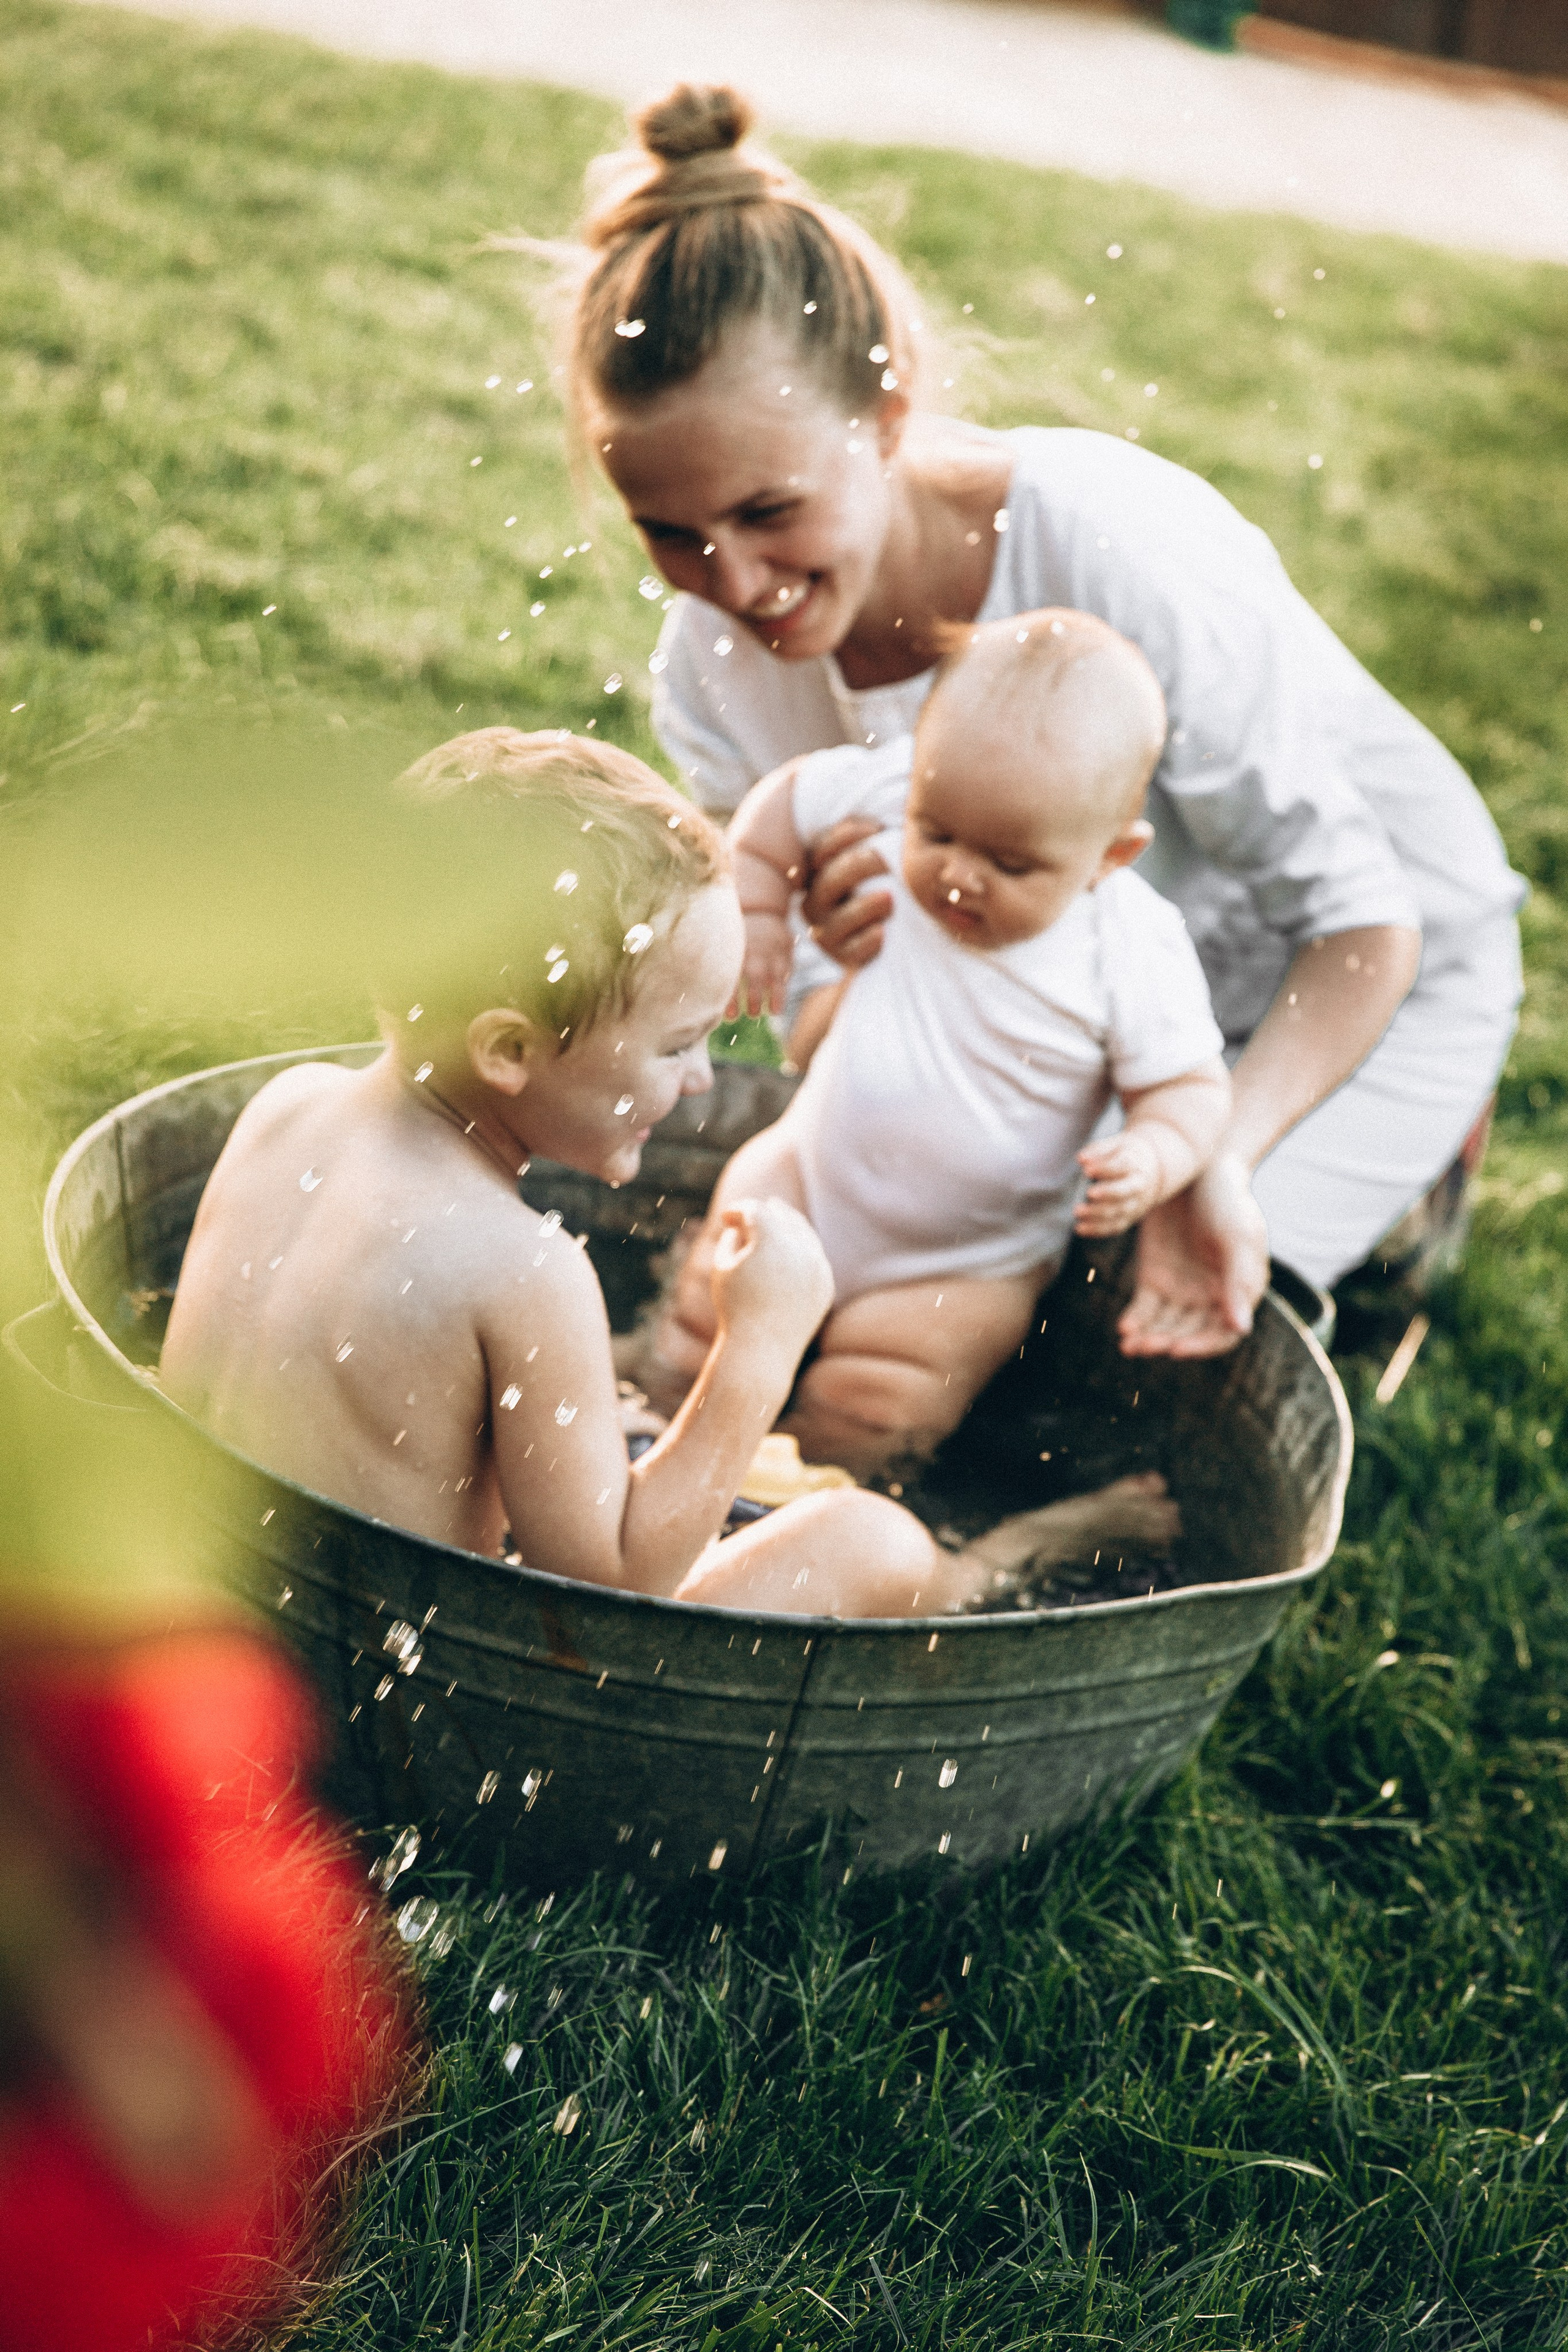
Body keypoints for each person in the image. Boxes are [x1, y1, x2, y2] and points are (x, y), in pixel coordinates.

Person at [540, 81, 1526, 1357]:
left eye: (769, 512)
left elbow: (1358, 924)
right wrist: (821, 965)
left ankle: (1396, 1188)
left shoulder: (1113, 547)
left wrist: (1212, 1149)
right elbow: (814, 1005)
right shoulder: (715, 666)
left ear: (886, 420)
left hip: (1348, 977)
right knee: (912, 1310)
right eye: (670, 534)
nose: (732, 583)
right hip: (1053, 1003)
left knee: (1128, 1333)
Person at [159, 728, 1178, 1618]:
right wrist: (758, 1348)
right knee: (873, 1543)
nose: (701, 1081)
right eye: (679, 1044)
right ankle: (999, 1566)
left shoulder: (284, 1109)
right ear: (509, 1050)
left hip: (215, 1613)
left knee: (604, 1427)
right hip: (431, 1697)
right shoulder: (524, 1271)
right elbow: (612, 1586)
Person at [639, 610, 1230, 1474]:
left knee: (877, 1408)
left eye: (1011, 864)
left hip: (965, 1261)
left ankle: (792, 1504)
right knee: (703, 1325)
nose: (957, 871)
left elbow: (1191, 1089)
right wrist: (759, 907)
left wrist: (1155, 1152)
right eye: (936, 832)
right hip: (807, 1175)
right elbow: (782, 804)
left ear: (1112, 855)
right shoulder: (891, 787)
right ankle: (649, 1439)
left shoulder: (1132, 947)